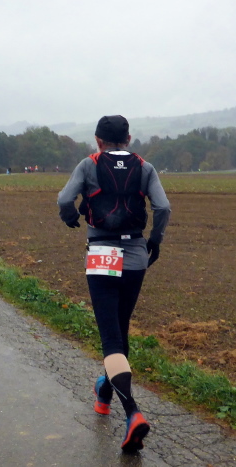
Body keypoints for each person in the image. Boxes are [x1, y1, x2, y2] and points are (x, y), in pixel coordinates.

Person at [57, 115, 171, 453]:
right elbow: (163, 207)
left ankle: (132, 413)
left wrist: (70, 217)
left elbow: (64, 200)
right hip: (136, 255)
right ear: (129, 139)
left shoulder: (89, 164)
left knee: (111, 340)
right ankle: (104, 393)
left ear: (98, 140)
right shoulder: (144, 167)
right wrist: (155, 240)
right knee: (120, 331)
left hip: (102, 255)